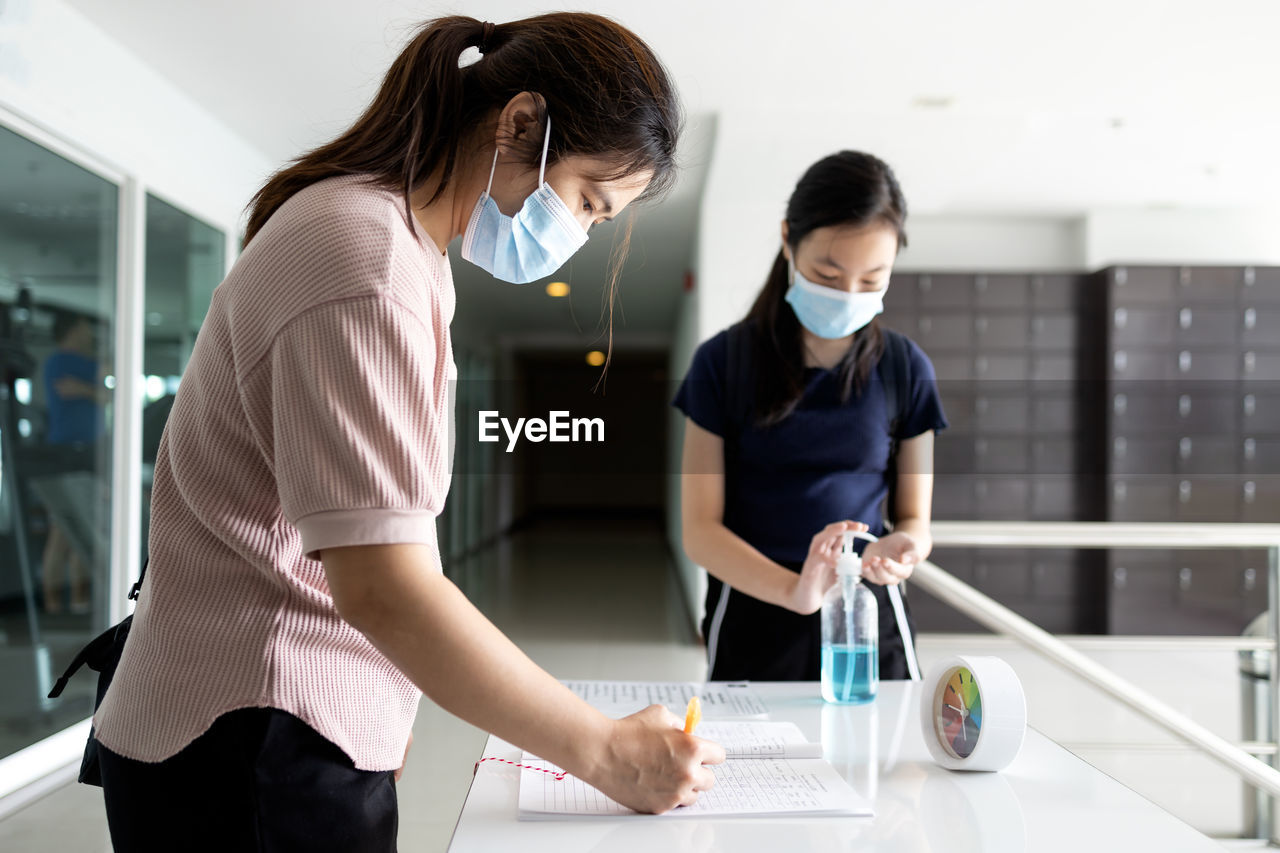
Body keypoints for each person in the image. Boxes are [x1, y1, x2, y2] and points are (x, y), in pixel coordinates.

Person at [93, 14, 722, 851]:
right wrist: (606, 752)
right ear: (520, 123)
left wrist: (383, 688)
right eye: (586, 203)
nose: (578, 236)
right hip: (251, 733)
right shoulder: (368, 260)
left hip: (267, 717)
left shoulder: (396, 248)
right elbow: (384, 585)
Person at [675, 151, 948, 683]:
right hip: (754, 612)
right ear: (788, 240)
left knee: (878, 760)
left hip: (867, 611)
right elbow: (699, 530)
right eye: (827, 272)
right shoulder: (723, 362)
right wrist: (792, 590)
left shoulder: (904, 366)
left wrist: (906, 547)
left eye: (872, 281)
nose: (847, 294)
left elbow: (916, 520)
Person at [40, 311, 107, 613]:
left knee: (80, 526)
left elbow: (105, 392)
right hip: (68, 453)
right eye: (83, 328)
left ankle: (79, 601)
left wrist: (87, 390)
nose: (88, 334)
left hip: (87, 452)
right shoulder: (61, 361)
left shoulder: (86, 363)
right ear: (73, 330)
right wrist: (92, 390)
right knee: (62, 531)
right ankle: (54, 605)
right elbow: (104, 393)